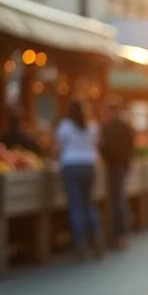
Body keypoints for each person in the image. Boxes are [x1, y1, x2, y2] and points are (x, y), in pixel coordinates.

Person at [54, 100, 103, 260]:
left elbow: (58, 149)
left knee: (76, 205)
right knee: (88, 203)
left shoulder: (65, 126)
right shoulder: (92, 125)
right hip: (89, 165)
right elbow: (97, 145)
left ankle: (80, 243)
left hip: (71, 165)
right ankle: (96, 239)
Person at [100, 98, 136, 249]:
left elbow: (104, 146)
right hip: (122, 165)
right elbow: (131, 146)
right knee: (119, 198)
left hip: (115, 166)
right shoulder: (126, 126)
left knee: (117, 200)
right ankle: (121, 233)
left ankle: (118, 234)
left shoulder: (110, 127)